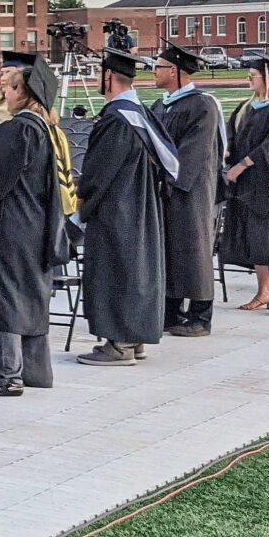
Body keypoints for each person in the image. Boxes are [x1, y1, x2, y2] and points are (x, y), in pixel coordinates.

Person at [0, 60, 71, 396]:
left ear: (21, 93)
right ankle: (37, 372)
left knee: (7, 296)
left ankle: (8, 375)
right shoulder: (49, 129)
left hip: (11, 224)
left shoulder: (17, 129)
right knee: (32, 294)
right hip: (38, 222)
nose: (4, 93)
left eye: (9, 87)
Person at [77, 50, 180, 362]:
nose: (97, 80)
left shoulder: (117, 118)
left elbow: (99, 171)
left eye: (99, 74)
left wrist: (81, 201)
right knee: (136, 270)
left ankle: (119, 344)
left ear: (109, 77)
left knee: (116, 270)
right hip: (141, 206)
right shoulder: (139, 112)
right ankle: (134, 340)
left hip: (117, 209)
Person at [150, 45, 224, 335]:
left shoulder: (202, 104)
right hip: (165, 187)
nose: (153, 72)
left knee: (194, 249)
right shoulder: (162, 104)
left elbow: (194, 152)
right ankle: (171, 312)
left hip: (191, 190)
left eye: (158, 66)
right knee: (170, 250)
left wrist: (170, 180)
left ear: (174, 70)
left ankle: (201, 316)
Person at [221, 55, 269, 320]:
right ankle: (264, 292)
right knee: (254, 237)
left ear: (268, 78)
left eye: (252, 75)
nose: (248, 79)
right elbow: (233, 133)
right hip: (247, 184)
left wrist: (242, 164)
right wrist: (228, 154)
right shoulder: (249, 106)